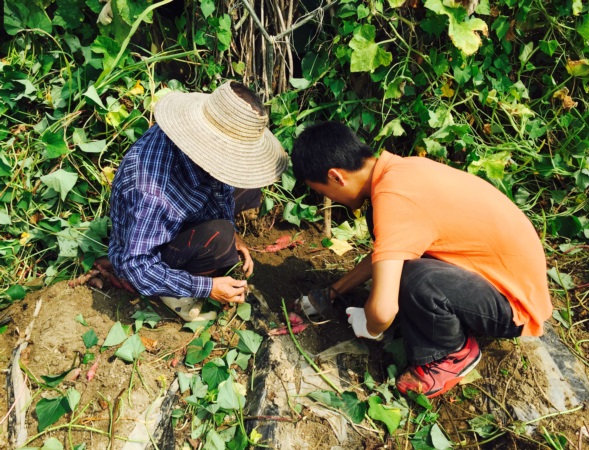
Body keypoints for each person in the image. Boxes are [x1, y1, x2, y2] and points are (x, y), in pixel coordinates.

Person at [291, 122, 552, 398]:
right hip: (496, 277)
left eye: (321, 192)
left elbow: (382, 311)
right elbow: (389, 249)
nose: (327, 198)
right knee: (399, 264)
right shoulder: (399, 171)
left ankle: (453, 354)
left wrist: (369, 324)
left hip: (513, 304)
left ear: (336, 176)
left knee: (414, 278)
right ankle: (436, 318)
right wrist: (334, 292)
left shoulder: (393, 198)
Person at [107, 81, 288, 321]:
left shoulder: (194, 138)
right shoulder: (152, 191)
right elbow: (136, 267)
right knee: (219, 237)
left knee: (248, 188)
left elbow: (220, 185)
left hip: (177, 212)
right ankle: (176, 295)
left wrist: (236, 234)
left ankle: (217, 244)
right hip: (148, 255)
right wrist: (207, 287)